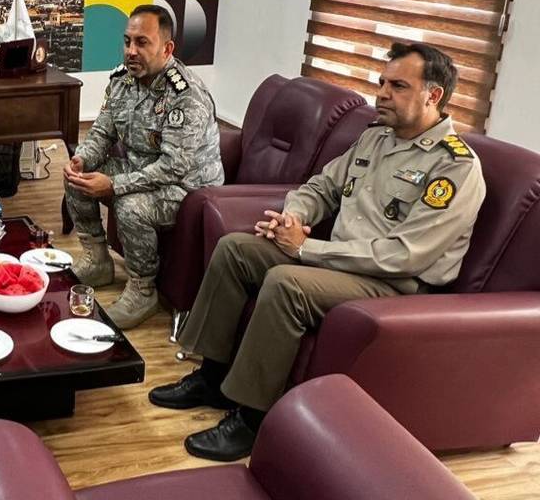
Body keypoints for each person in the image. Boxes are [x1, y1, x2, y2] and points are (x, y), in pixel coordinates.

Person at [150, 42, 486, 462]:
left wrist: (307, 248)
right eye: (382, 82)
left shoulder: (455, 167)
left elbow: (404, 256)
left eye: (398, 86)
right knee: (236, 250)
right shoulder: (376, 138)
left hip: (394, 285)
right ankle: (211, 378)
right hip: (341, 262)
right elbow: (321, 188)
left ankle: (252, 419)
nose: (382, 93)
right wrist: (291, 217)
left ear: (433, 95)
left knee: (287, 283)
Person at [64, 4, 223, 328]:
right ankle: (98, 261)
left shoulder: (186, 94)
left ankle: (142, 290)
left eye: (142, 42)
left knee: (131, 205)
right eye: (127, 41)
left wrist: (115, 185)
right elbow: (103, 132)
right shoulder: (123, 81)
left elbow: (173, 167)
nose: (131, 51)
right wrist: (82, 159)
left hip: (189, 189)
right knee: (77, 178)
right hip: (141, 171)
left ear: (167, 48)